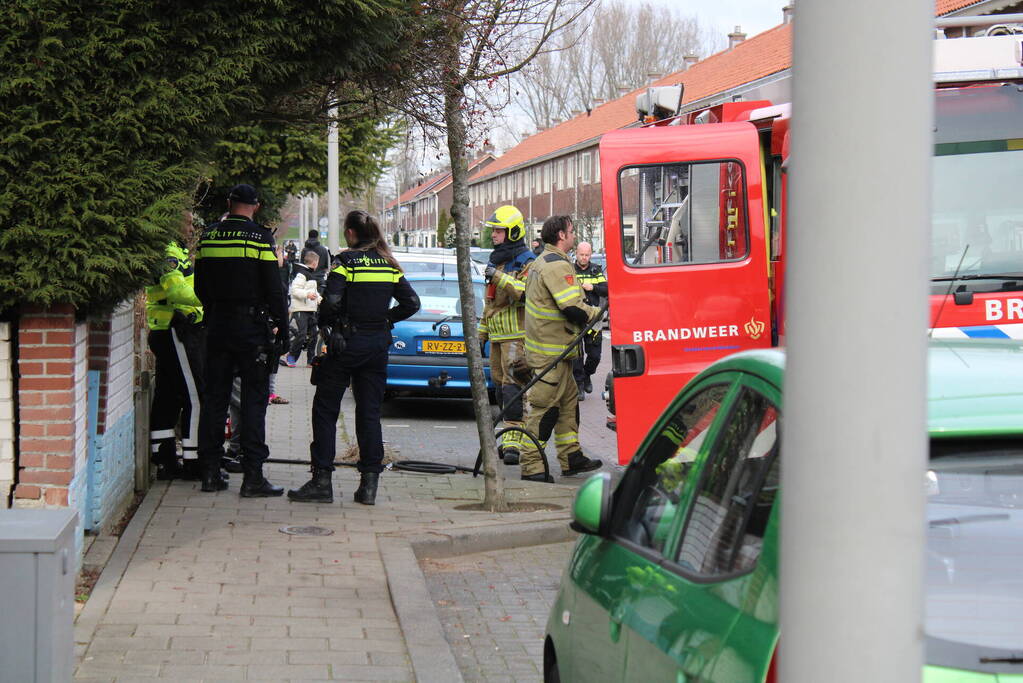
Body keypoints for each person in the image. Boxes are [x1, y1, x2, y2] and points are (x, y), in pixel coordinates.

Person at [288, 210, 419, 505]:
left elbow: (332, 301)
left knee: (325, 410)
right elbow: (411, 302)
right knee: (369, 412)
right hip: (376, 347)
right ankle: (368, 486)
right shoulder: (388, 264)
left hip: (345, 344)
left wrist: (328, 325)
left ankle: (322, 481)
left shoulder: (346, 262)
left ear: (350, 233)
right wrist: (385, 320)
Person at [194, 183, 288, 496]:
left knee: (215, 400)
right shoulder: (261, 237)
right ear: (256, 206)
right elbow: (274, 288)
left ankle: (210, 473)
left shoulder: (209, 235)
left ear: (229, 203)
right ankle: (253, 478)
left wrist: (215, 310)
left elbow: (200, 287)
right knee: (253, 401)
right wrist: (283, 327)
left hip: (217, 326)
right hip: (251, 330)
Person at [517, 215, 603, 482]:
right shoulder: (555, 265)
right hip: (550, 354)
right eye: (571, 231)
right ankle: (532, 466)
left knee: (568, 406)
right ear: (561, 236)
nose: (574, 234)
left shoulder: (547, 260)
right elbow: (572, 307)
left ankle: (571, 457)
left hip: (558, 353)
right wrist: (598, 314)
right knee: (543, 409)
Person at [145, 232, 205, 480]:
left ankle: (164, 459)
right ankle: (194, 461)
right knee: (196, 396)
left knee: (167, 397)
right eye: (185, 214)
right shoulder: (167, 251)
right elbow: (176, 290)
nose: (190, 220)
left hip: (166, 330)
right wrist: (209, 297)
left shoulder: (174, 248)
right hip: (175, 330)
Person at [479, 205, 535, 466]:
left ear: (513, 232)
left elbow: (526, 293)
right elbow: (488, 303)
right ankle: (509, 437)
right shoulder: (496, 260)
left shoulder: (526, 261)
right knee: (501, 390)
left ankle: (514, 443)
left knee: (514, 389)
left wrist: (499, 277)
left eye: (499, 231)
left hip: (517, 336)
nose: (494, 235)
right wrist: (481, 335)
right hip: (497, 338)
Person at [571, 241, 607, 401]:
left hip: (594, 321)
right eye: (581, 255)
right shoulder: (570, 270)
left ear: (590, 255)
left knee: (595, 356)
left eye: (587, 255)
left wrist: (592, 287)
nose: (584, 258)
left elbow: (606, 289)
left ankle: (587, 375)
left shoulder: (596, 270)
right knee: (577, 357)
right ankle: (579, 385)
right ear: (576, 254)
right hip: (577, 319)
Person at [286, 250, 323, 367]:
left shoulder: (311, 274)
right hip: (300, 309)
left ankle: (310, 360)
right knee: (302, 334)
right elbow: (294, 290)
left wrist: (321, 300)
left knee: (314, 334)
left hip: (310, 309)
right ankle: (291, 357)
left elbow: (314, 292)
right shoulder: (302, 274)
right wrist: (307, 294)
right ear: (315, 262)